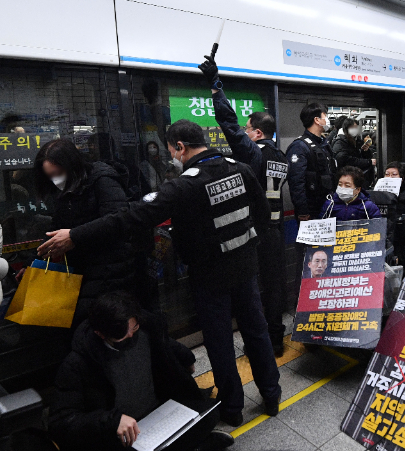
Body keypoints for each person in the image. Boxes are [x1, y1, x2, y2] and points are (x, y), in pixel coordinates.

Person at [37, 119, 281, 427]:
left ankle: (232, 409)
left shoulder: (183, 185)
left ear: (180, 147)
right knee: (257, 333)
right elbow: (261, 214)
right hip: (246, 269)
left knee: (219, 343)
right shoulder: (241, 169)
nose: (171, 157)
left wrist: (75, 236)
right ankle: (271, 396)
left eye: (171, 151)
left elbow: (129, 217)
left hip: (209, 278)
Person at [48, 292, 234, 451]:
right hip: (124, 433)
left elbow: (164, 342)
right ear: (100, 334)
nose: (131, 336)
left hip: (158, 412)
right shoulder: (79, 361)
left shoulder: (146, 329)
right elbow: (60, 421)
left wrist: (185, 357)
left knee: (208, 413)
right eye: (122, 335)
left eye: (134, 328)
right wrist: (111, 421)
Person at [202, 56, 289, 356]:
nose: (245, 131)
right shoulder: (281, 157)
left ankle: (260, 343)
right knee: (275, 286)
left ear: (257, 133)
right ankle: (276, 339)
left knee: (252, 291)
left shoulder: (255, 154)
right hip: (277, 230)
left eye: (248, 128)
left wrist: (216, 85)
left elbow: (227, 123)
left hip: (255, 233)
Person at [32, 138, 134, 325]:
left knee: (87, 323)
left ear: (71, 166)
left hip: (109, 268)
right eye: (50, 176)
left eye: (59, 173)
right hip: (79, 269)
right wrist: (36, 263)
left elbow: (119, 219)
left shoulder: (102, 178)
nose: (56, 180)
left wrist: (73, 236)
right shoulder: (64, 190)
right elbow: (57, 226)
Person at [286, 103, 337, 221]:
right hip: (311, 209)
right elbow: (296, 182)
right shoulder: (299, 146)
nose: (327, 120)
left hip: (328, 204)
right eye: (325, 116)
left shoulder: (324, 144)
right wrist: (302, 210)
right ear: (317, 120)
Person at [332, 118, 375, 186]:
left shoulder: (357, 140)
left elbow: (363, 156)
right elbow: (343, 159)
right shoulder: (340, 142)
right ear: (346, 128)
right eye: (352, 127)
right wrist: (368, 162)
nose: (354, 129)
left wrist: (365, 151)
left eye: (356, 127)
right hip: (346, 177)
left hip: (357, 177)